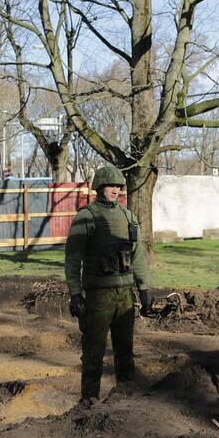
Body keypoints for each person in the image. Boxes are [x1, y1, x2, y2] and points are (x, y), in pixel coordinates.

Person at [64, 166, 154, 408]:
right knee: (93, 351)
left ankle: (126, 399)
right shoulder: (87, 217)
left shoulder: (128, 217)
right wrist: (75, 293)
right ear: (100, 187)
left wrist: (144, 290)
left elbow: (138, 256)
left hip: (124, 294)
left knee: (125, 351)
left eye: (119, 187)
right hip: (97, 296)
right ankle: (89, 401)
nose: (116, 190)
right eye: (111, 186)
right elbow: (73, 257)